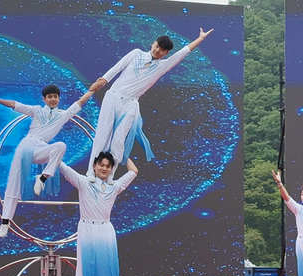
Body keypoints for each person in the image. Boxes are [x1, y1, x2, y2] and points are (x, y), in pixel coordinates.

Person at [87, 28, 213, 180]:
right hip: (113, 97)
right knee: (102, 136)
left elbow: (183, 52)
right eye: (157, 46)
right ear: (153, 44)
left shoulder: (163, 66)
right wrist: (102, 81)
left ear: (166, 53)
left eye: (162, 50)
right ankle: (90, 173)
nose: (158, 50)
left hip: (130, 104)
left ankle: (109, 177)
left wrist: (201, 39)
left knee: (118, 142)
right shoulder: (136, 54)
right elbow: (117, 68)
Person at [0, 82, 103, 237]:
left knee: (60, 146)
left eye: (55, 97)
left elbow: (80, 101)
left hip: (41, 148)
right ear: (44, 99)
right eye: (50, 97)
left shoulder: (63, 115)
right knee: (14, 183)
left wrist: (93, 90)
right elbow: (15, 105)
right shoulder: (36, 110)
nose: (53, 99)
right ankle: (5, 222)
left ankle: (43, 177)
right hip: (26, 146)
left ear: (59, 98)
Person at [59, 151, 137, 276]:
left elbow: (133, 171)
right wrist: (52, 154)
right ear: (94, 166)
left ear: (111, 169)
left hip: (105, 229)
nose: (104, 168)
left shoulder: (114, 187)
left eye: (108, 166)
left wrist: (122, 153)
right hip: (87, 228)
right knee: (84, 269)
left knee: (109, 268)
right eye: (101, 165)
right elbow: (64, 168)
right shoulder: (84, 182)